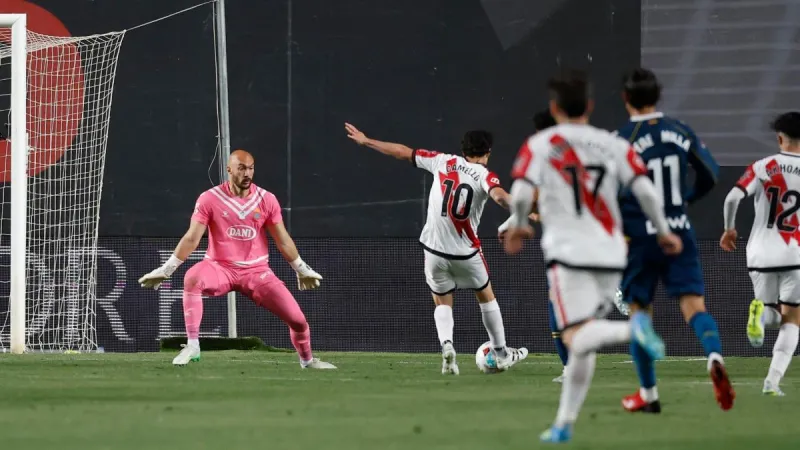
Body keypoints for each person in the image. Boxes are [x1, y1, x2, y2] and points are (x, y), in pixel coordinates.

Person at [503, 69, 681, 443]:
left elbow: (520, 193)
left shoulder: (540, 145)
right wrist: (663, 230)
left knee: (574, 336)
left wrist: (518, 224)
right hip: (612, 253)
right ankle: (564, 423)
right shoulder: (613, 144)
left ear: (554, 108)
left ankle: (633, 329)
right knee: (584, 340)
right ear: (590, 106)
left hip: (569, 253)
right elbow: (646, 191)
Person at [344, 122, 528, 375]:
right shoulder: (485, 175)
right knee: (486, 297)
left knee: (442, 300)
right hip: (466, 252)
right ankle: (501, 353)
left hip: (433, 250)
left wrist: (367, 141)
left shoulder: (442, 161)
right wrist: (521, 209)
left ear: (463, 150)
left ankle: (447, 346)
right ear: (487, 152)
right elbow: (499, 197)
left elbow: (401, 151)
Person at [138, 150, 336, 369]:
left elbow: (283, 239)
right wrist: (166, 270)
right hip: (219, 267)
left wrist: (301, 268)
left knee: (298, 321)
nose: (247, 173)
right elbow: (192, 238)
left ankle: (307, 361)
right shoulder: (209, 198)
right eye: (241, 168)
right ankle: (193, 346)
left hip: (257, 272)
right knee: (192, 277)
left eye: (251, 168)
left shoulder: (267, 199)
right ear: (229, 169)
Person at [614, 68, 733, 412]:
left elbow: (610, 189)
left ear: (626, 98)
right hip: (678, 229)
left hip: (640, 235)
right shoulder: (679, 130)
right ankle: (714, 356)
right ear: (658, 95)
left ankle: (649, 394)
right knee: (694, 305)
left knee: (639, 311)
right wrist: (683, 200)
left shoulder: (621, 138)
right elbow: (710, 173)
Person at [721, 111, 800, 396]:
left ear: (780, 138)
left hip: (760, 253)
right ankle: (771, 382)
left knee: (770, 311)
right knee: (792, 319)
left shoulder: (762, 166)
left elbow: (732, 197)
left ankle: (760, 315)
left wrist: (729, 229)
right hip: (795, 253)